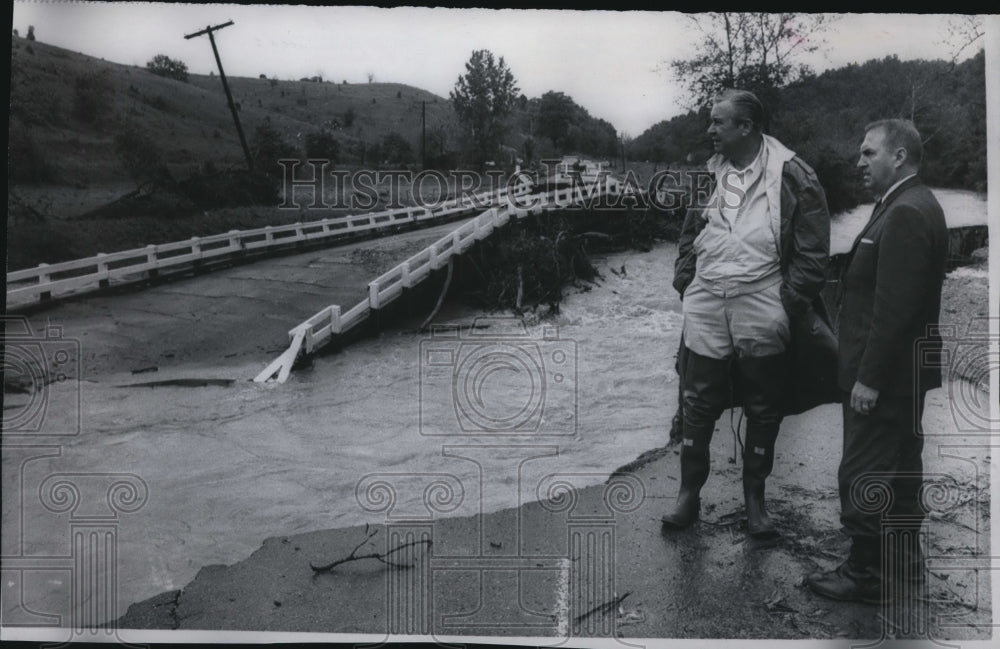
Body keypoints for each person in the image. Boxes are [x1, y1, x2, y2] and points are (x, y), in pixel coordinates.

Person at [664, 89, 831, 538]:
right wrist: (686, 281)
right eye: (711, 122)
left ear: (747, 127)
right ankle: (688, 494)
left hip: (762, 294)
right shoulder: (711, 174)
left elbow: (814, 250)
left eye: (718, 123)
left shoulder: (793, 174)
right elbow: (689, 231)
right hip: (706, 295)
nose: (710, 130)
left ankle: (755, 499)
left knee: (764, 399)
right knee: (696, 399)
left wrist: (789, 300)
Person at [806, 119, 948, 603]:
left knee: (863, 470)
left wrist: (867, 379)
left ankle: (866, 575)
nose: (859, 162)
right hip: (905, 375)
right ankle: (906, 562)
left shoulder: (906, 212)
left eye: (869, 153)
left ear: (900, 156)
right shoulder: (911, 203)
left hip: (884, 376)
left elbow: (894, 309)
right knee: (903, 465)